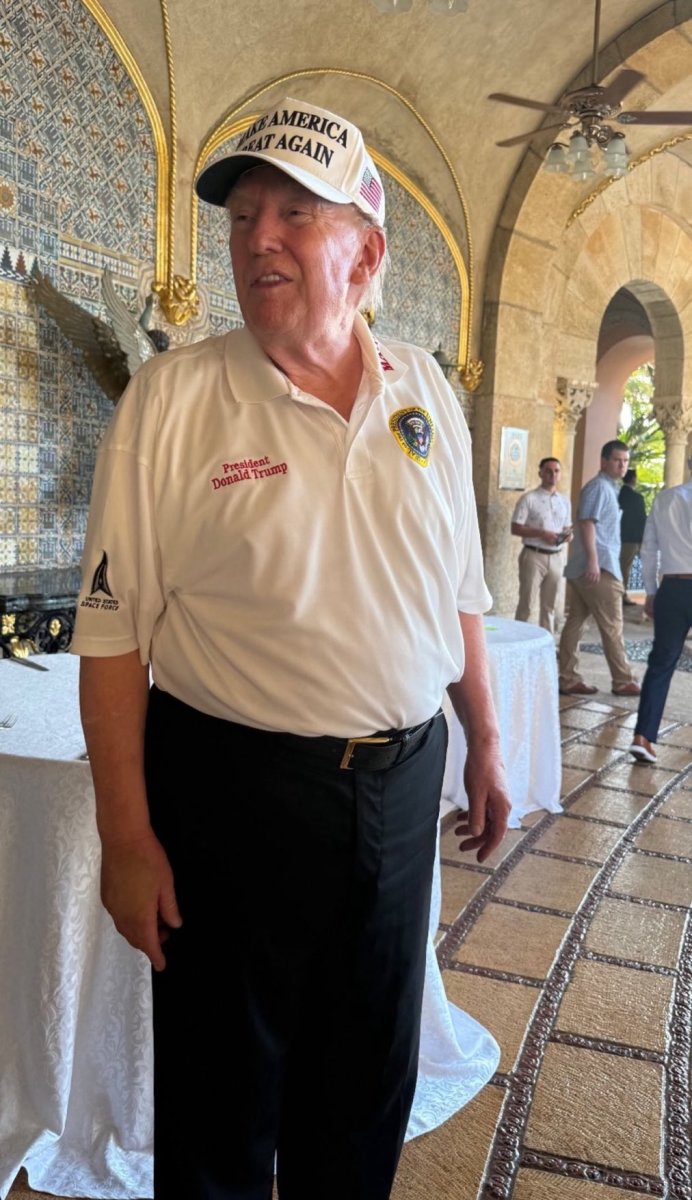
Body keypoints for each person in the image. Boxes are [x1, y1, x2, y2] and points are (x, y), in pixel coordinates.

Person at [71, 95, 510, 1200]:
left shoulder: (427, 395)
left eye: (292, 214)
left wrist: (486, 743)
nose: (256, 238)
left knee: (363, 1094)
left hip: (401, 793)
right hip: (233, 795)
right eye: (241, 218)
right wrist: (126, 836)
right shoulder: (172, 400)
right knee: (221, 1112)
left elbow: (458, 591)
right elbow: (112, 639)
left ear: (365, 253)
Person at [558, 439, 640, 697]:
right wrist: (594, 561)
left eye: (625, 461)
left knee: (576, 621)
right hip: (600, 568)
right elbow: (587, 523)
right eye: (617, 460)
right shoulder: (598, 487)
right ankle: (623, 680)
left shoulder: (608, 488)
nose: (622, 465)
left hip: (593, 567)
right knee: (612, 625)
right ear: (604, 461)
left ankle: (568, 677)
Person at [629, 459, 692, 763]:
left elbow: (649, 548)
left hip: (673, 588)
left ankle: (642, 736)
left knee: (661, 663)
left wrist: (652, 592)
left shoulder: (665, 499)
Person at [510, 456, 572, 633]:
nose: (553, 474)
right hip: (534, 555)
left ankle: (547, 641)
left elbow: (567, 526)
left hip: (557, 556)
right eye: (548, 471)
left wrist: (568, 535)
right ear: (540, 473)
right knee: (527, 603)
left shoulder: (564, 501)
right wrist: (542, 534)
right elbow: (515, 527)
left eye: (556, 471)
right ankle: (519, 638)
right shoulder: (529, 498)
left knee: (549, 605)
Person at [618, 467, 647, 605]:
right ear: (634, 479)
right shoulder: (637, 498)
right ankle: (622, 596)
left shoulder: (618, 495)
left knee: (621, 568)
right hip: (633, 539)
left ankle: (619, 595)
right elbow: (642, 519)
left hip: (619, 537)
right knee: (626, 569)